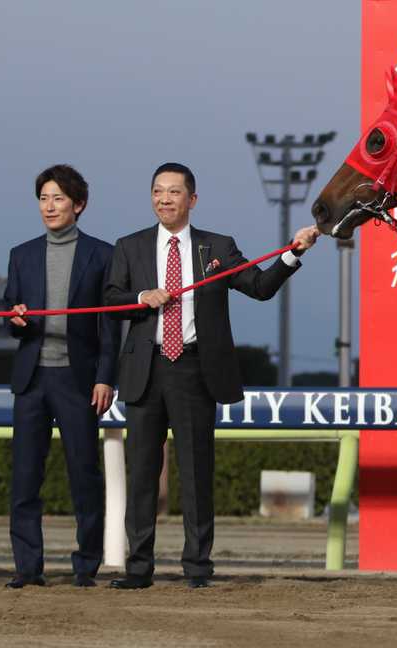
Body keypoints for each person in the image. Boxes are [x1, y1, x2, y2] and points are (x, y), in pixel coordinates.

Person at [105, 162, 320, 589]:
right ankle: (139, 568)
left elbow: (259, 287)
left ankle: (198, 568)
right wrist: (141, 297)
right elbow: (111, 298)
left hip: (194, 368)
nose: (164, 199)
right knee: (143, 472)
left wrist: (294, 252)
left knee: (197, 471)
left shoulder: (217, 247)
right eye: (158, 192)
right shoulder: (129, 246)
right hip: (144, 370)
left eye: (174, 192)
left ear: (192, 200)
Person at [4, 164, 121, 588]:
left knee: (83, 475)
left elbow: (110, 325)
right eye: (43, 198)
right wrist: (14, 318)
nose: (49, 206)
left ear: (79, 205)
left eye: (57, 198)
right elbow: (9, 309)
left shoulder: (103, 255)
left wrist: (106, 377)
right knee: (24, 477)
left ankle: (85, 565)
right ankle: (27, 568)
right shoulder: (21, 254)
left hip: (79, 380)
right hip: (31, 379)